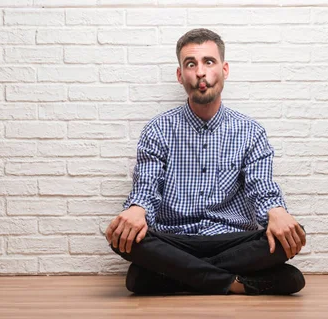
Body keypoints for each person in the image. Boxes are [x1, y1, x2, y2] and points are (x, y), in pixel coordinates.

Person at [105, 28, 306, 295]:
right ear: (180, 75)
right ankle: (231, 283)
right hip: (175, 240)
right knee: (122, 239)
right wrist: (137, 209)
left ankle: (182, 274)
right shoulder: (158, 129)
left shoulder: (250, 131)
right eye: (191, 64)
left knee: (291, 235)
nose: (200, 72)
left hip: (232, 240)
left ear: (224, 69)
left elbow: (261, 187)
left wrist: (276, 212)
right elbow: (147, 186)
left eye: (208, 62)